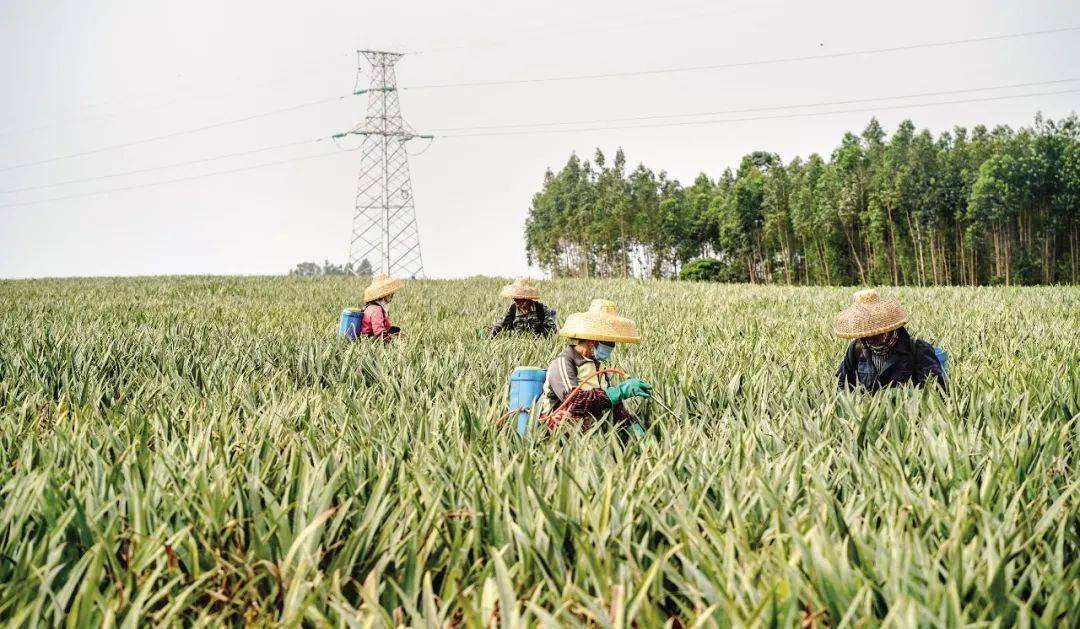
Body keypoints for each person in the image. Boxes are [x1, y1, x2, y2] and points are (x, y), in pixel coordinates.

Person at [542, 299, 652, 431]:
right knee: (574, 416)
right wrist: (618, 391)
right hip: (558, 424)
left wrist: (631, 426)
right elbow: (574, 402)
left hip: (591, 424)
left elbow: (609, 402)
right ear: (592, 340)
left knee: (614, 418)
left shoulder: (599, 366)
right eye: (608, 342)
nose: (611, 347)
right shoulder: (564, 362)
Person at [834, 289, 946, 392]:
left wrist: (901, 396)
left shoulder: (917, 348)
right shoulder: (856, 348)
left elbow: (938, 388)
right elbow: (842, 384)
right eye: (867, 335)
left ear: (890, 327)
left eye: (877, 333)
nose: (871, 339)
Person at [490, 278, 555, 337]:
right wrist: (491, 335)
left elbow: (552, 329)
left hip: (539, 343)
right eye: (515, 299)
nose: (516, 302)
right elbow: (500, 324)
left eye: (519, 300)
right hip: (518, 344)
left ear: (527, 299)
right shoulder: (512, 309)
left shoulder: (541, 309)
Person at [360, 274, 404, 341]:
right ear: (384, 296)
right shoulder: (376, 310)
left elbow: (386, 325)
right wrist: (389, 342)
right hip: (369, 339)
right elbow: (379, 331)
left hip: (367, 337)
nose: (392, 296)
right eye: (390, 294)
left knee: (396, 331)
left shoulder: (369, 307)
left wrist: (393, 331)